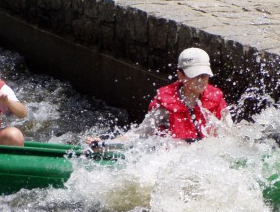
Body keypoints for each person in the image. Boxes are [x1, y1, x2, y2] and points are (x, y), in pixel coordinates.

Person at [87, 47, 231, 147]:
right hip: (176, 157)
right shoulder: (166, 106)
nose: (201, 81)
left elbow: (230, 133)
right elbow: (139, 134)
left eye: (204, 76)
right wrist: (105, 144)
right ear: (180, 75)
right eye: (195, 76)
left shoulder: (216, 99)